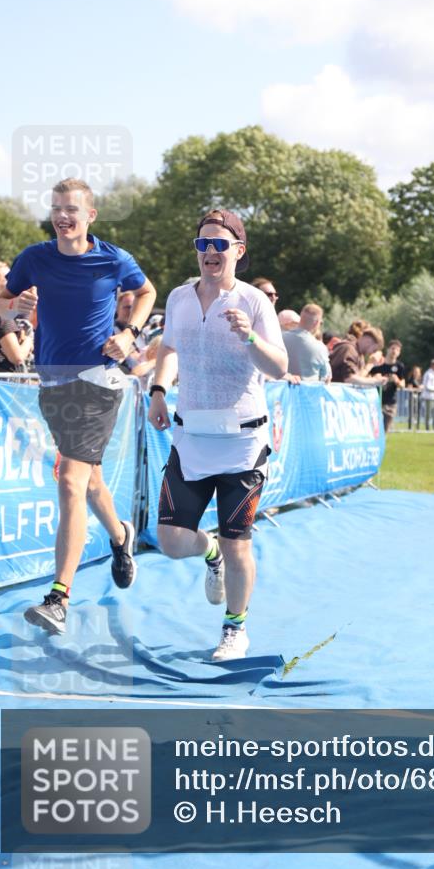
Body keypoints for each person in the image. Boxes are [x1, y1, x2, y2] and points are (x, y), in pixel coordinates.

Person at [1, 178, 156, 635]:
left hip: (98, 381)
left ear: (90, 216)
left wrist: (129, 333)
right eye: (56, 208)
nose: (62, 216)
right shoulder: (34, 258)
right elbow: (3, 303)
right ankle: (121, 535)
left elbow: (146, 292)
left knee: (71, 480)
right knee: (90, 482)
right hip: (53, 383)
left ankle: (58, 598)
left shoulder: (113, 258)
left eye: (71, 209)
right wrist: (18, 304)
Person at [148, 209, 287, 661]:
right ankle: (209, 552)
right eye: (202, 244)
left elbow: (279, 367)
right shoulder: (179, 297)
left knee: (238, 541)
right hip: (190, 439)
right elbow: (169, 348)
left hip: (243, 444)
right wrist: (158, 391)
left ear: (238, 251)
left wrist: (250, 339)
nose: (209, 252)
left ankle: (235, 628)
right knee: (171, 541)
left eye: (219, 244)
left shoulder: (255, 302)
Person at [0, 260, 33, 372]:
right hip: (0, 381)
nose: (13, 284)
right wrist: (29, 338)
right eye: (8, 280)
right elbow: (17, 357)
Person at [282, 303, 331, 382]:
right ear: (316, 322)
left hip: (281, 388)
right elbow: (326, 377)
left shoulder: (281, 338)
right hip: (309, 389)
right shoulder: (320, 347)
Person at [369, 339, 406, 432]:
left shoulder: (399, 366)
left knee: (384, 429)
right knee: (373, 429)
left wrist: (397, 380)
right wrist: (374, 378)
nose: (394, 351)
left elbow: (403, 384)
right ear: (388, 349)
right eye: (393, 348)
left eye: (397, 350)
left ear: (399, 353)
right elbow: (366, 376)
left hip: (390, 403)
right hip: (376, 401)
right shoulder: (378, 365)